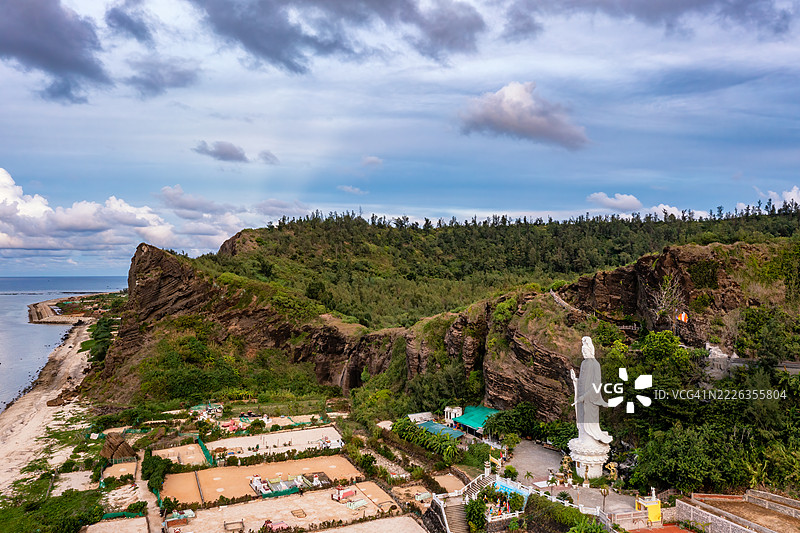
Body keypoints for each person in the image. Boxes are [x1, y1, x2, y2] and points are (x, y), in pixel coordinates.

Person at [570, 337, 613, 444]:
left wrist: (585, 397)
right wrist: (575, 380)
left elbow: (596, 385)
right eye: (582, 352)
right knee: (581, 417)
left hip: (590, 398)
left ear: (591, 351)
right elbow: (583, 380)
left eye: (585, 352)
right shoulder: (584, 363)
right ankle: (582, 438)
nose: (584, 354)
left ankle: (590, 440)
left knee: (589, 420)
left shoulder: (595, 365)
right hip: (582, 395)